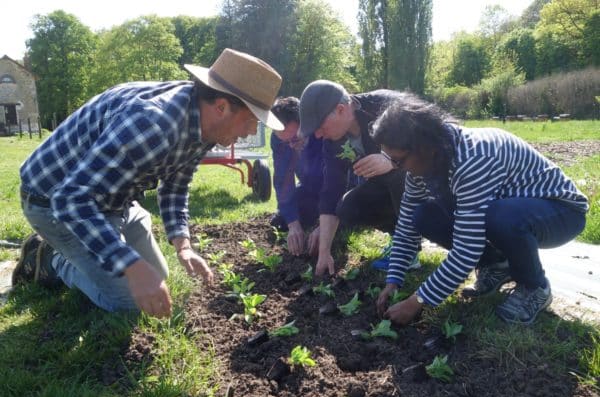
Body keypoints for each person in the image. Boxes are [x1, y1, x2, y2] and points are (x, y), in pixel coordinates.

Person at [13, 48, 283, 319]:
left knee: (158, 277)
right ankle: (52, 258)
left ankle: (85, 251)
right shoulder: (153, 123)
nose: (251, 131)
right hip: (52, 202)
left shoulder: (203, 122)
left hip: (114, 198)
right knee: (130, 303)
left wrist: (183, 245)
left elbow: (176, 186)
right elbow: (70, 199)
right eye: (250, 120)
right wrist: (132, 267)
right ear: (222, 106)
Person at [372, 97, 588, 325]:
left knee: (499, 216)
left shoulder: (472, 159)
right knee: (424, 216)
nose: (397, 168)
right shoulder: (423, 164)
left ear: (423, 147)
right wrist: (393, 281)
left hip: (561, 212)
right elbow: (406, 224)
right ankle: (496, 265)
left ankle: (535, 287)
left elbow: (467, 249)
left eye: (399, 160)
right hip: (509, 207)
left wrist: (417, 301)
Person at [298, 80, 419, 276]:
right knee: (348, 208)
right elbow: (331, 190)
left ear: (340, 109)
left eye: (320, 126)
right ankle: (400, 238)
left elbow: (435, 140)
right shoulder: (333, 140)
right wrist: (324, 252)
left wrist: (392, 160)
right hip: (387, 186)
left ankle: (408, 247)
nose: (318, 135)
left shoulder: (390, 107)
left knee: (398, 175)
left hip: (427, 183)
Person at [269, 97, 324, 256]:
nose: (291, 146)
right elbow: (282, 180)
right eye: (285, 142)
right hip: (310, 189)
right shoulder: (279, 140)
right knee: (281, 222)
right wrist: (293, 224)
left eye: (294, 139)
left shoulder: (322, 132)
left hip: (338, 190)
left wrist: (325, 225)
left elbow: (339, 181)